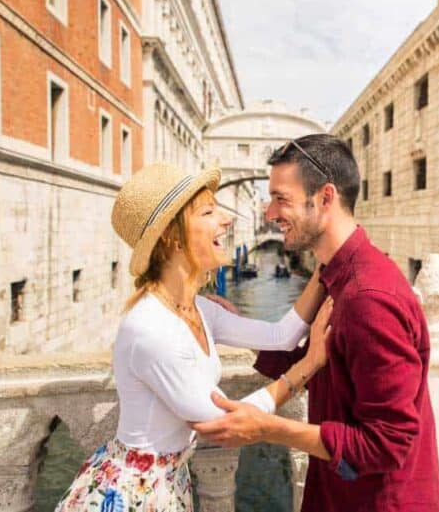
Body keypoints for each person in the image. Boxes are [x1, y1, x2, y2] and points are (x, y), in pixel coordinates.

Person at [55, 163, 332, 511]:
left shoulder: (199, 307)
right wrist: (309, 365)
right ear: (172, 236)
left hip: (167, 483)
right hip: (129, 495)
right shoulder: (150, 328)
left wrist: (326, 260)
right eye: (208, 211)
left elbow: (282, 335)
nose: (226, 219)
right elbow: (223, 425)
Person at [192, 134, 439, 511]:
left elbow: (388, 443)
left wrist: (267, 428)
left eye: (282, 199)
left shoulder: (368, 299)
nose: (270, 213)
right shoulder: (336, 276)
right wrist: (241, 327)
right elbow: (321, 364)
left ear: (325, 198)